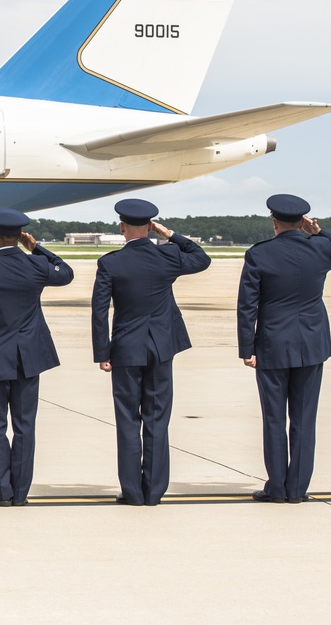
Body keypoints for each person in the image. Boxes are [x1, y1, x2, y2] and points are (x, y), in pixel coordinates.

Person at [237, 194, 331, 504]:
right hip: (312, 344)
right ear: (302, 222)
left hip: (272, 344)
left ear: (274, 222)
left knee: (274, 418)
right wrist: (319, 232)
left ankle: (276, 487)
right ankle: (297, 489)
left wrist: (246, 347)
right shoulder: (320, 249)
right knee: (304, 419)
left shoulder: (259, 254)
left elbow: (247, 306)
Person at [91, 198, 210, 506]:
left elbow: (99, 310)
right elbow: (201, 258)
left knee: (128, 420)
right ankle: (154, 492)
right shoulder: (168, 255)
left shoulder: (111, 262)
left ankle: (132, 491)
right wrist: (170, 235)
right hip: (161, 346)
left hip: (126, 348)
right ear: (149, 227)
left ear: (122, 228)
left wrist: (102, 352)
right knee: (157, 419)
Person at [0, 208, 74, 506]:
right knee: (25, 425)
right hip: (28, 358)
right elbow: (66, 273)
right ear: (20, 236)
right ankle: (20, 493)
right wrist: (36, 248)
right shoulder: (36, 266)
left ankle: (2, 492)